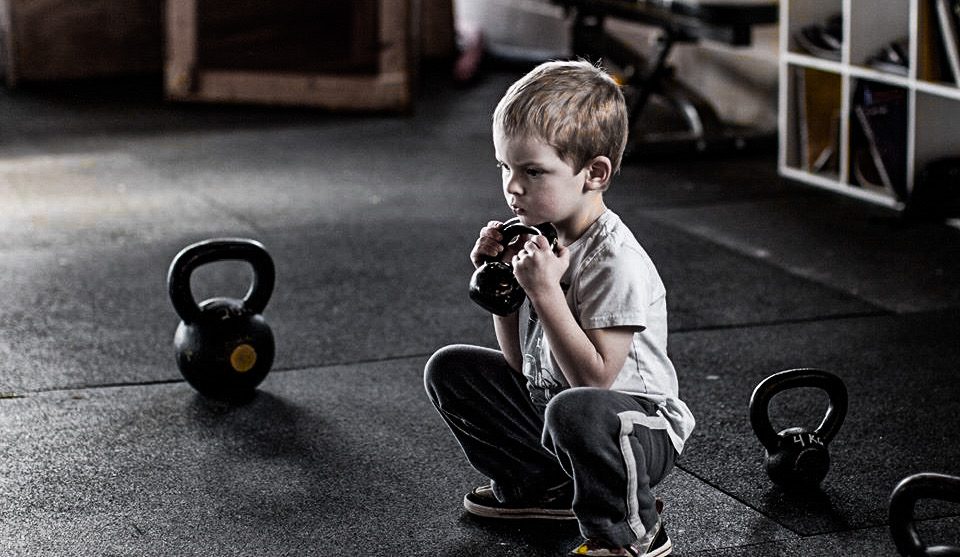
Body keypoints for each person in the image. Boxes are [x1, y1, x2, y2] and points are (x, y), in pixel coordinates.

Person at [423, 59, 695, 557]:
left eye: (533, 172)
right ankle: (542, 487)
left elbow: (594, 382)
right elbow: (518, 364)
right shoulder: (543, 240)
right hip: (559, 408)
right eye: (505, 167)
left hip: (633, 428)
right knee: (450, 369)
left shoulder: (614, 261)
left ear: (594, 174)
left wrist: (545, 293)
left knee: (575, 409)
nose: (513, 187)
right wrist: (503, 286)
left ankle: (632, 533)